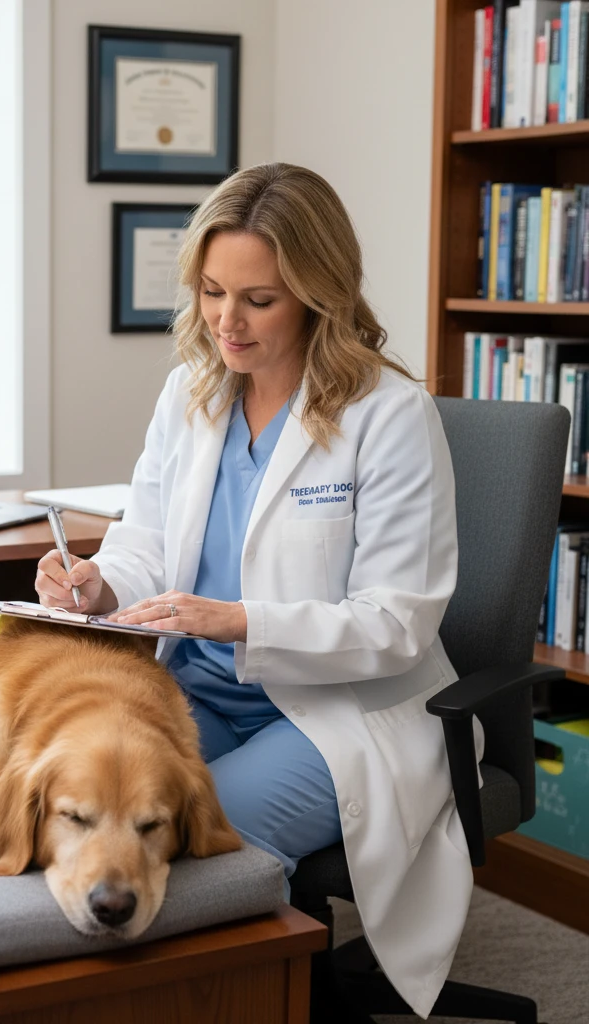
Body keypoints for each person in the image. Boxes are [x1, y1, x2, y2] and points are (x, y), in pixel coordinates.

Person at [35, 163, 478, 1018]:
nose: (226, 322)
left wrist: (239, 620)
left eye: (258, 300)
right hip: (195, 687)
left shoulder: (388, 415)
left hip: (337, 710)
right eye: (210, 292)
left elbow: (397, 623)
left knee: (195, 842)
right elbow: (149, 542)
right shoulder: (192, 393)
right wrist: (97, 585)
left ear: (319, 293)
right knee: (96, 812)